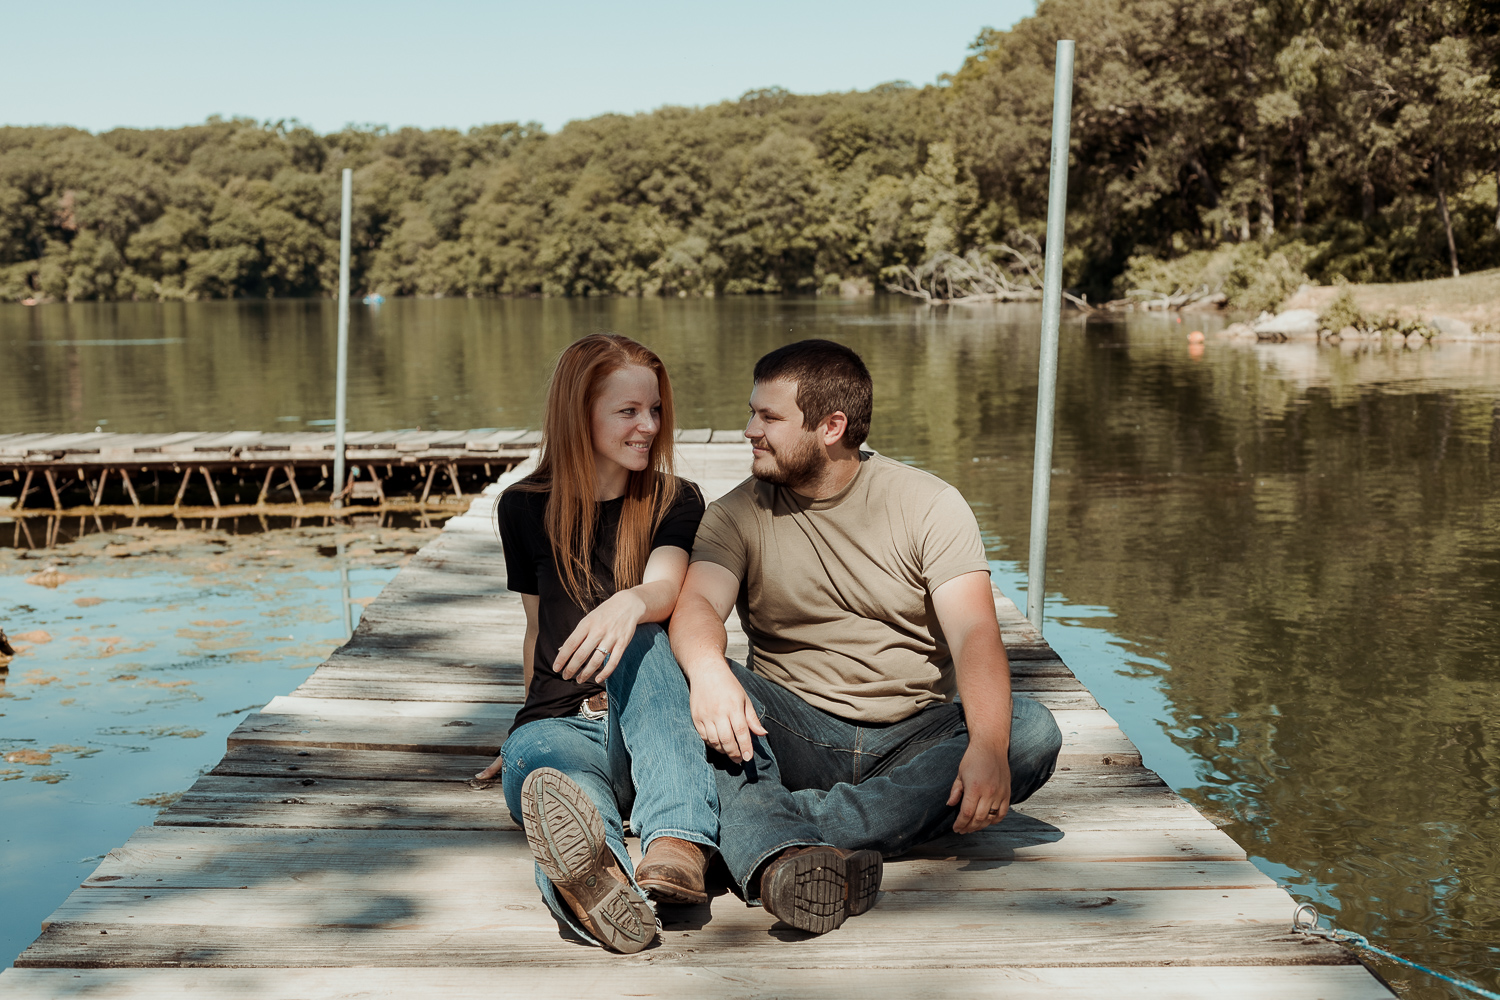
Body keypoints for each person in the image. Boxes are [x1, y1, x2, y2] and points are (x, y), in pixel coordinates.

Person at [666, 339, 1064, 934]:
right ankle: (792, 839)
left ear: (832, 425)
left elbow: (976, 633)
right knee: (670, 666)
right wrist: (708, 671)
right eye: (753, 412)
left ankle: (762, 832)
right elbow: (697, 602)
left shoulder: (929, 505)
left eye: (768, 417)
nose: (749, 429)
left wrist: (985, 745)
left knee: (1027, 733)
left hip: (910, 734)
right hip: (789, 726)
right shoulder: (737, 512)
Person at [475, 333, 718, 954]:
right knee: (551, 780)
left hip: (657, 729)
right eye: (629, 411)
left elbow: (666, 586)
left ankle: (675, 844)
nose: (648, 426)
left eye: (655, 410)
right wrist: (522, 728)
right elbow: (537, 628)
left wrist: (628, 602)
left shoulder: (674, 498)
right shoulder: (522, 508)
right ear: (579, 414)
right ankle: (598, 879)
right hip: (563, 722)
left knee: (640, 639)